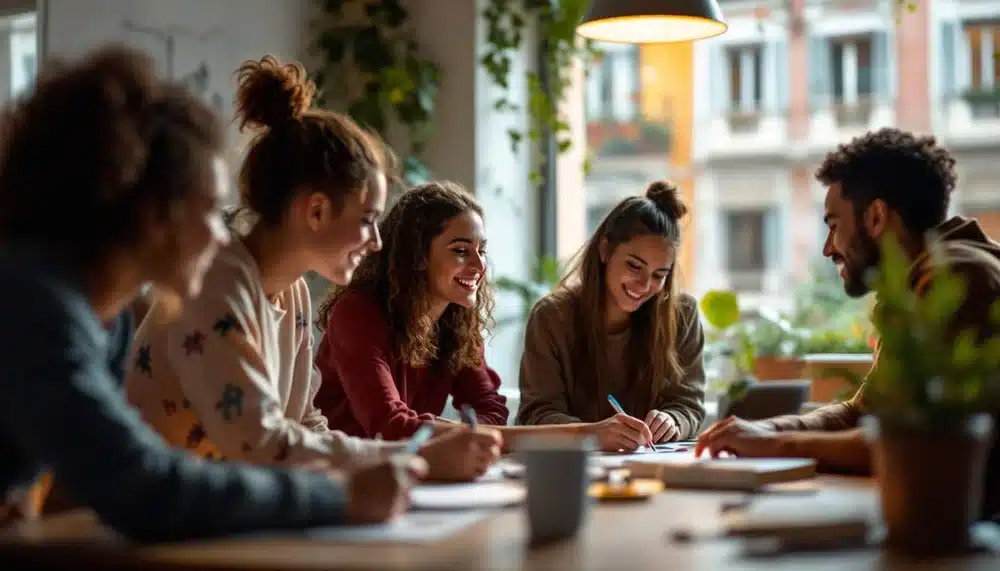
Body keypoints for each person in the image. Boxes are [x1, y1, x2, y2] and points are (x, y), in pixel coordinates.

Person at [0, 45, 421, 539]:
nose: (222, 234)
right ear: (152, 215)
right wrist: (339, 497)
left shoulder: (99, 320)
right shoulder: (36, 307)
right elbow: (143, 485)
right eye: (207, 207)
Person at [125, 55, 499, 482]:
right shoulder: (215, 278)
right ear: (317, 211)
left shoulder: (294, 291)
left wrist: (403, 459)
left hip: (231, 506)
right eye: (366, 220)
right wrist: (415, 458)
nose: (377, 242)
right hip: (172, 515)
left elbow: (305, 426)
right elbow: (261, 445)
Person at [695, 127, 1000, 520]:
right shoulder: (929, 276)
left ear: (875, 216)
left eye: (834, 224)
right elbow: (864, 413)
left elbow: (907, 441)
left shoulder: (955, 278)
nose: (827, 248)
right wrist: (768, 431)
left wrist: (776, 445)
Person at [516, 181, 707, 451]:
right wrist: (593, 434)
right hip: (572, 468)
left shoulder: (683, 315)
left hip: (648, 468)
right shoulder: (551, 317)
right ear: (605, 250)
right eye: (633, 266)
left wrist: (673, 419)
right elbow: (536, 415)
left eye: (658, 275)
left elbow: (688, 405)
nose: (644, 285)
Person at [314, 181, 509, 443]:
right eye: (461, 251)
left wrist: (457, 433)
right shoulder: (357, 314)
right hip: (349, 473)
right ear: (418, 256)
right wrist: (462, 433)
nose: (479, 265)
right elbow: (389, 426)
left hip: (414, 467)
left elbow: (490, 406)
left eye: (481, 250)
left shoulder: (456, 320)